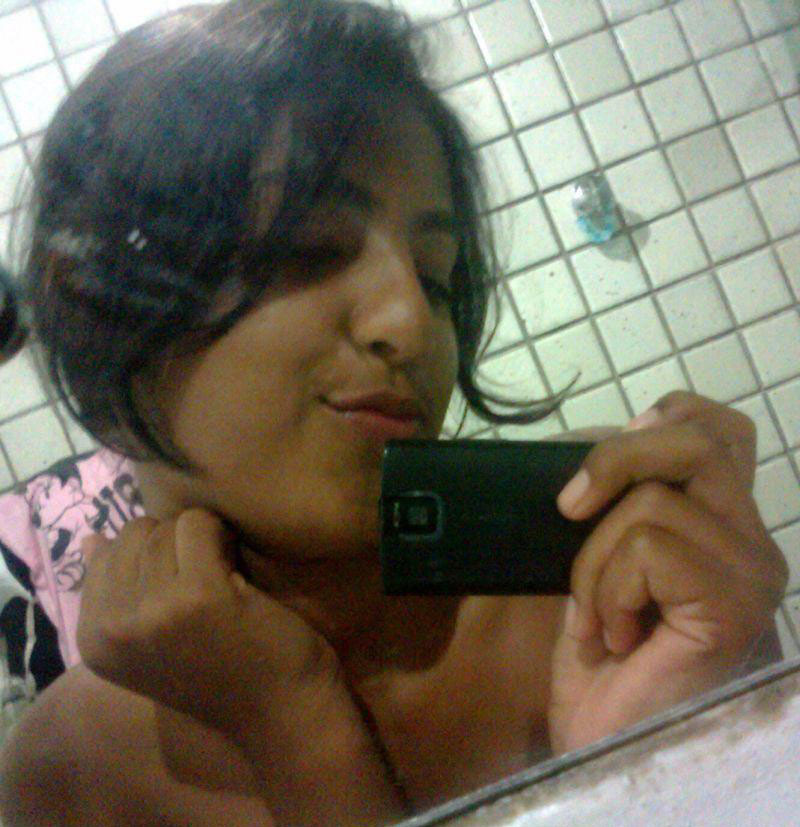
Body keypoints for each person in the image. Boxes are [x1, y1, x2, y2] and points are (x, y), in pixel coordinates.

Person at [0, 1, 788, 824]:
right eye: (308, 251)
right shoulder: (73, 770)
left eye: (438, 275)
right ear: (96, 311)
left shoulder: (613, 570)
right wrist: (291, 717)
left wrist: (652, 777)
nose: (411, 322)